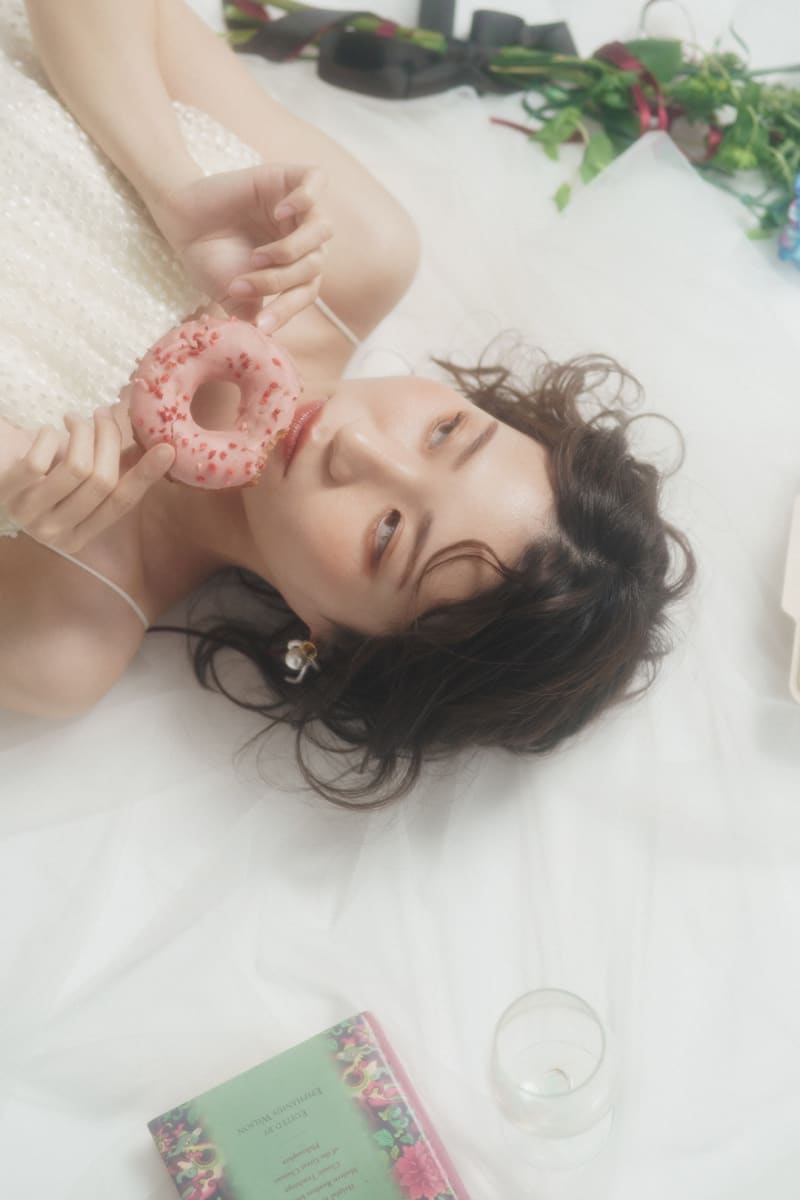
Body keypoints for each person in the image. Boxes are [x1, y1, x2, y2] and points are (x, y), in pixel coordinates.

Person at [0, 0, 695, 805]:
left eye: (389, 534)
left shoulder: (60, 638)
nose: (354, 445)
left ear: (332, 642)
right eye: (445, 431)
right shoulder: (348, 253)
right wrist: (170, 186)